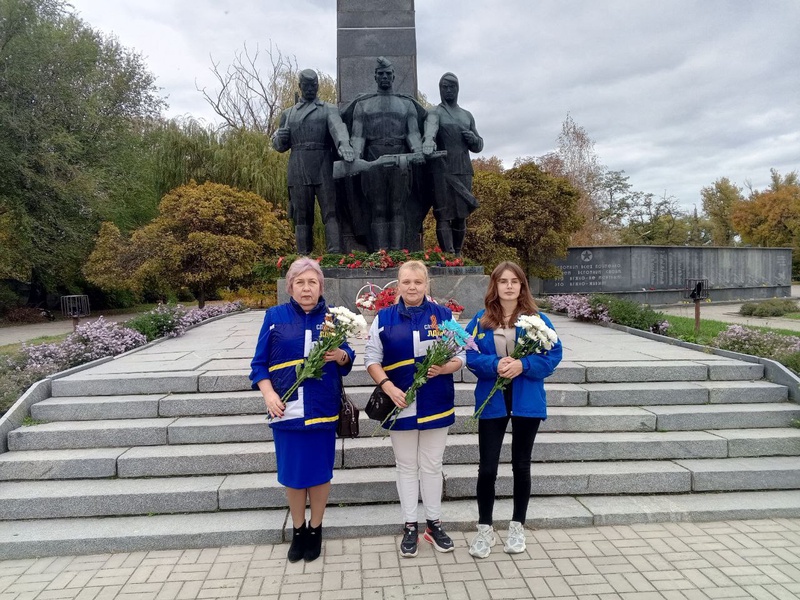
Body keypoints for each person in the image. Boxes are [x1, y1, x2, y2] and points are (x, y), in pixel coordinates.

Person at [249, 257, 355, 563]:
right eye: (300, 282)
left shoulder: (335, 318)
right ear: (290, 287)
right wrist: (268, 395)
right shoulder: (274, 316)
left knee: (320, 474)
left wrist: (341, 356)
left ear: (320, 286)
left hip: (322, 408)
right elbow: (258, 365)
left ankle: (316, 528)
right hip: (286, 411)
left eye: (312, 282)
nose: (306, 288)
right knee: (294, 476)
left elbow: (348, 355)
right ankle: (298, 530)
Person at [364, 261, 464, 557]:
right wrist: (388, 386)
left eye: (418, 282)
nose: (412, 287)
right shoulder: (383, 318)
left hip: (436, 402)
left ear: (426, 284)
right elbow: (371, 358)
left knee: (432, 465)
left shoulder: (444, 316)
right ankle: (410, 526)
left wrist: (447, 367)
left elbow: (463, 356)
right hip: (401, 402)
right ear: (398, 285)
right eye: (406, 282)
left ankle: (433, 525)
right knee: (406, 466)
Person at [465, 261, 562, 558]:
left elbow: (553, 354)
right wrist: (495, 365)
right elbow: (469, 355)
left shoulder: (538, 319)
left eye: (514, 281)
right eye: (503, 281)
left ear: (522, 286)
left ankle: (517, 526)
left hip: (526, 401)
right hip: (492, 400)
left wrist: (524, 364)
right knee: (488, 468)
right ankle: (484, 529)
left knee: (521, 465)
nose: (509, 286)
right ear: (494, 286)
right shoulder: (481, 320)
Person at [272, 69, 355, 254]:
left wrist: (344, 146)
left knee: (331, 212)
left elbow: (338, 129)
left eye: (314, 85)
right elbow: (279, 146)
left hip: (323, 163)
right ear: (300, 86)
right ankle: (303, 257)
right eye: (307, 86)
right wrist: (281, 138)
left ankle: (334, 255)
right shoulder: (288, 113)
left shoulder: (328, 109)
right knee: (301, 215)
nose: (311, 89)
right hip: (298, 165)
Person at [349, 57, 425, 250]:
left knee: (398, 209)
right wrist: (356, 159)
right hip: (373, 158)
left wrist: (418, 151)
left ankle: (398, 256)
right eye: (381, 74)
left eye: (388, 74)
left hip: (400, 160)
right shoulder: (363, 105)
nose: (384, 77)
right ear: (375, 77)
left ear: (394, 77)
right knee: (379, 209)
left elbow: (413, 133)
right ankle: (381, 254)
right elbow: (358, 136)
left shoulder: (406, 104)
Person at [422, 72, 483, 256]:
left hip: (463, 169)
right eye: (444, 87)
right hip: (442, 170)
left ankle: (457, 253)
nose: (448, 91)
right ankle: (448, 254)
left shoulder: (467, 115)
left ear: (457, 89)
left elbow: (478, 145)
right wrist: (429, 141)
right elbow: (430, 131)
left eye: (452, 87)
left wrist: (474, 139)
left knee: (461, 216)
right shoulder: (435, 112)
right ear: (440, 90)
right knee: (443, 214)